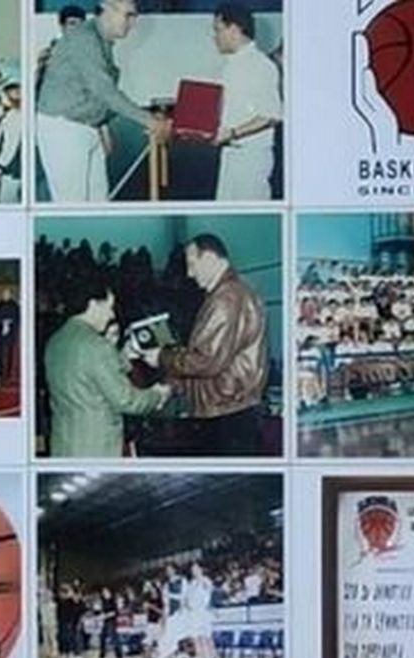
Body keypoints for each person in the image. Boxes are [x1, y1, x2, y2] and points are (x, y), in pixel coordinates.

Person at [135, 233, 268, 455]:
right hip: (229, 408)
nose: (189, 273)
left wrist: (161, 357)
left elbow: (206, 360)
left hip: (226, 414)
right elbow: (208, 356)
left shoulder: (226, 298)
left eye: (192, 264)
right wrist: (172, 385)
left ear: (209, 257)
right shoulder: (231, 292)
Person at [35, 0, 169, 202]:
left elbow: (94, 95)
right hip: (64, 129)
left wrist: (102, 127)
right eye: (128, 15)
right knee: (72, 203)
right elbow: (105, 91)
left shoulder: (101, 41)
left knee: (99, 201)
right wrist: (150, 121)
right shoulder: (84, 38)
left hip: (87, 127)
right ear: (107, 7)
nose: (132, 23)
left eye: (134, 17)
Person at [44, 274, 171, 457]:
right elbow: (126, 400)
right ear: (94, 304)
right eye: (110, 307)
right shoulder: (97, 345)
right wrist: (157, 395)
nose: (112, 315)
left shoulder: (56, 341)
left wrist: (123, 356)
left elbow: (85, 374)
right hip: (95, 448)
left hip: (64, 445)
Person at [209, 5, 282, 201]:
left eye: (218, 30)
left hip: (251, 159)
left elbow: (270, 116)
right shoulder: (231, 66)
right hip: (230, 154)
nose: (215, 37)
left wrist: (232, 133)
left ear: (234, 29)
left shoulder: (261, 66)